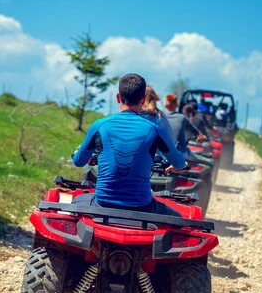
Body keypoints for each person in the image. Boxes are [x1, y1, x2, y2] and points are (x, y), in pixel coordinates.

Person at [71, 73, 186, 216]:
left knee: (75, 202)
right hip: (142, 205)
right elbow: (180, 163)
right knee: (178, 219)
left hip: (102, 202)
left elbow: (78, 162)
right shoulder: (155, 130)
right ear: (143, 99)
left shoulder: (99, 125)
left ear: (118, 97)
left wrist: (77, 155)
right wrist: (179, 164)